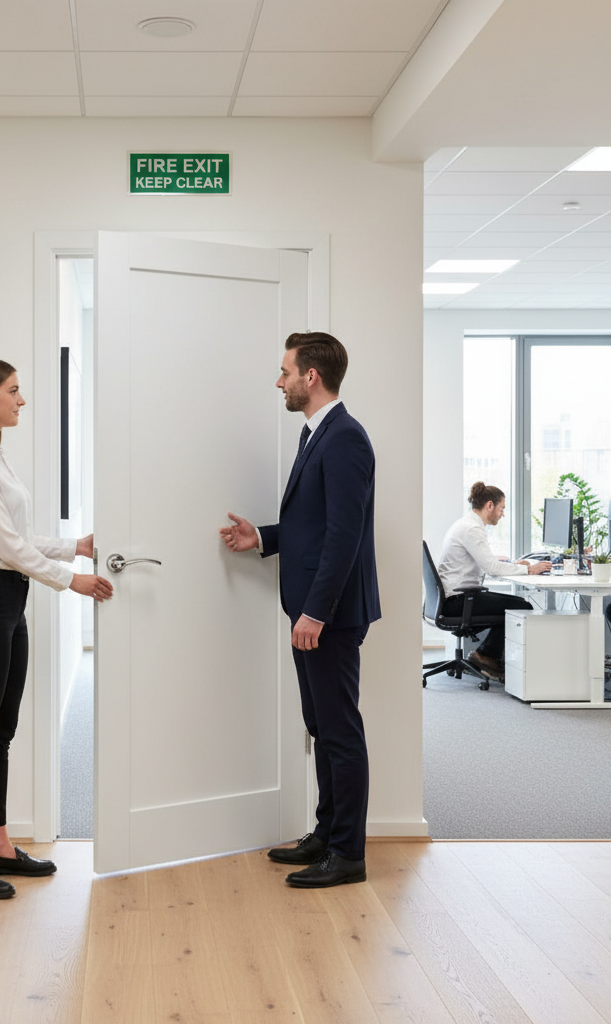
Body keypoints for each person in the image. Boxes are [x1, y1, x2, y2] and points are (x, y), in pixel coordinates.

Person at [0, 357, 113, 899]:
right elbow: (8, 547)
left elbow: (18, 535)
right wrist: (71, 579)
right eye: (13, 391)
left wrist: (74, 547)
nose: (22, 400)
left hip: (8, 601)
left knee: (0, 732)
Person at [219, 331, 380, 889]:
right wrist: (262, 538)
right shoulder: (320, 435)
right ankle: (325, 833)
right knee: (320, 724)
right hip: (313, 609)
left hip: (328, 614)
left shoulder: (345, 439)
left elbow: (344, 535)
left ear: (311, 377)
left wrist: (315, 612)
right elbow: (313, 525)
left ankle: (347, 854)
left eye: (286, 371)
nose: (279, 380)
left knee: (339, 730)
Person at [436, 482, 551, 680]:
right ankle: (486, 656)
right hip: (458, 601)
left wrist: (512, 564)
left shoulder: (467, 524)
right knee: (521, 606)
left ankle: (488, 655)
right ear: (490, 505)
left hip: (453, 598)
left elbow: (485, 562)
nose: (502, 514)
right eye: (502, 508)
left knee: (512, 604)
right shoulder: (472, 528)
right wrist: (529, 569)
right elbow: (492, 569)